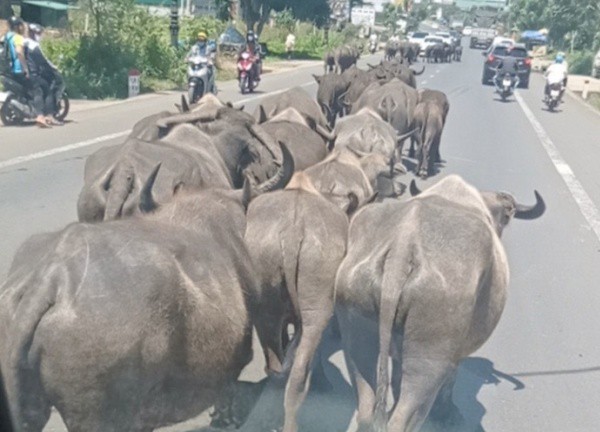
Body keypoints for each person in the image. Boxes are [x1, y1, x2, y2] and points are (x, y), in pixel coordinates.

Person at [5, 17, 49, 127]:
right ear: (17, 26)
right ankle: (40, 116)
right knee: (37, 89)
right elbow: (19, 52)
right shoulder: (18, 37)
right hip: (19, 69)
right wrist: (25, 68)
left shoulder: (6, 37)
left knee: (27, 90)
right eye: (21, 25)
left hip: (9, 71)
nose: (23, 27)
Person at [24, 23, 63, 125]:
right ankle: (46, 116)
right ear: (35, 33)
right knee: (47, 90)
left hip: (23, 73)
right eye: (38, 33)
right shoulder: (34, 46)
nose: (40, 35)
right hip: (33, 74)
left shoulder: (24, 43)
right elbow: (44, 61)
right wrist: (54, 68)